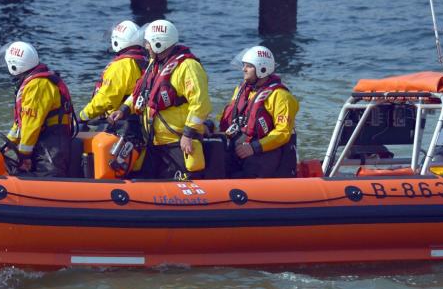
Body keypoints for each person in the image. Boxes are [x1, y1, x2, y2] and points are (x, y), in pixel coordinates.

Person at [108, 20, 211, 179]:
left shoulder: (188, 67)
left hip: (178, 141)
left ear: (158, 44)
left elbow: (200, 104)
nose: (146, 46)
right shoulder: (154, 64)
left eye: (148, 43)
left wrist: (188, 134)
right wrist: (123, 110)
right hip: (154, 141)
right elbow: (140, 93)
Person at [219, 46, 300, 178]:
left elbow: (282, 133)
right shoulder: (242, 90)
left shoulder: (281, 96)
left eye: (249, 66)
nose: (243, 69)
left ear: (262, 69)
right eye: (244, 65)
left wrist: (254, 148)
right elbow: (230, 117)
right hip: (241, 147)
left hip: (265, 153)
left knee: (245, 172)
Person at [4, 41, 77, 177]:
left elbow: (31, 123)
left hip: (51, 144)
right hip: (45, 140)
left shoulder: (37, 85)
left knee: (48, 178)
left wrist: (24, 155)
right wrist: (8, 142)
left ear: (14, 66)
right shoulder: (35, 82)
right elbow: (22, 123)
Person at [78, 20, 148, 122]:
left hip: (122, 120)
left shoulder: (121, 65)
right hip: (138, 118)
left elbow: (105, 99)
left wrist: (82, 116)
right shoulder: (144, 60)